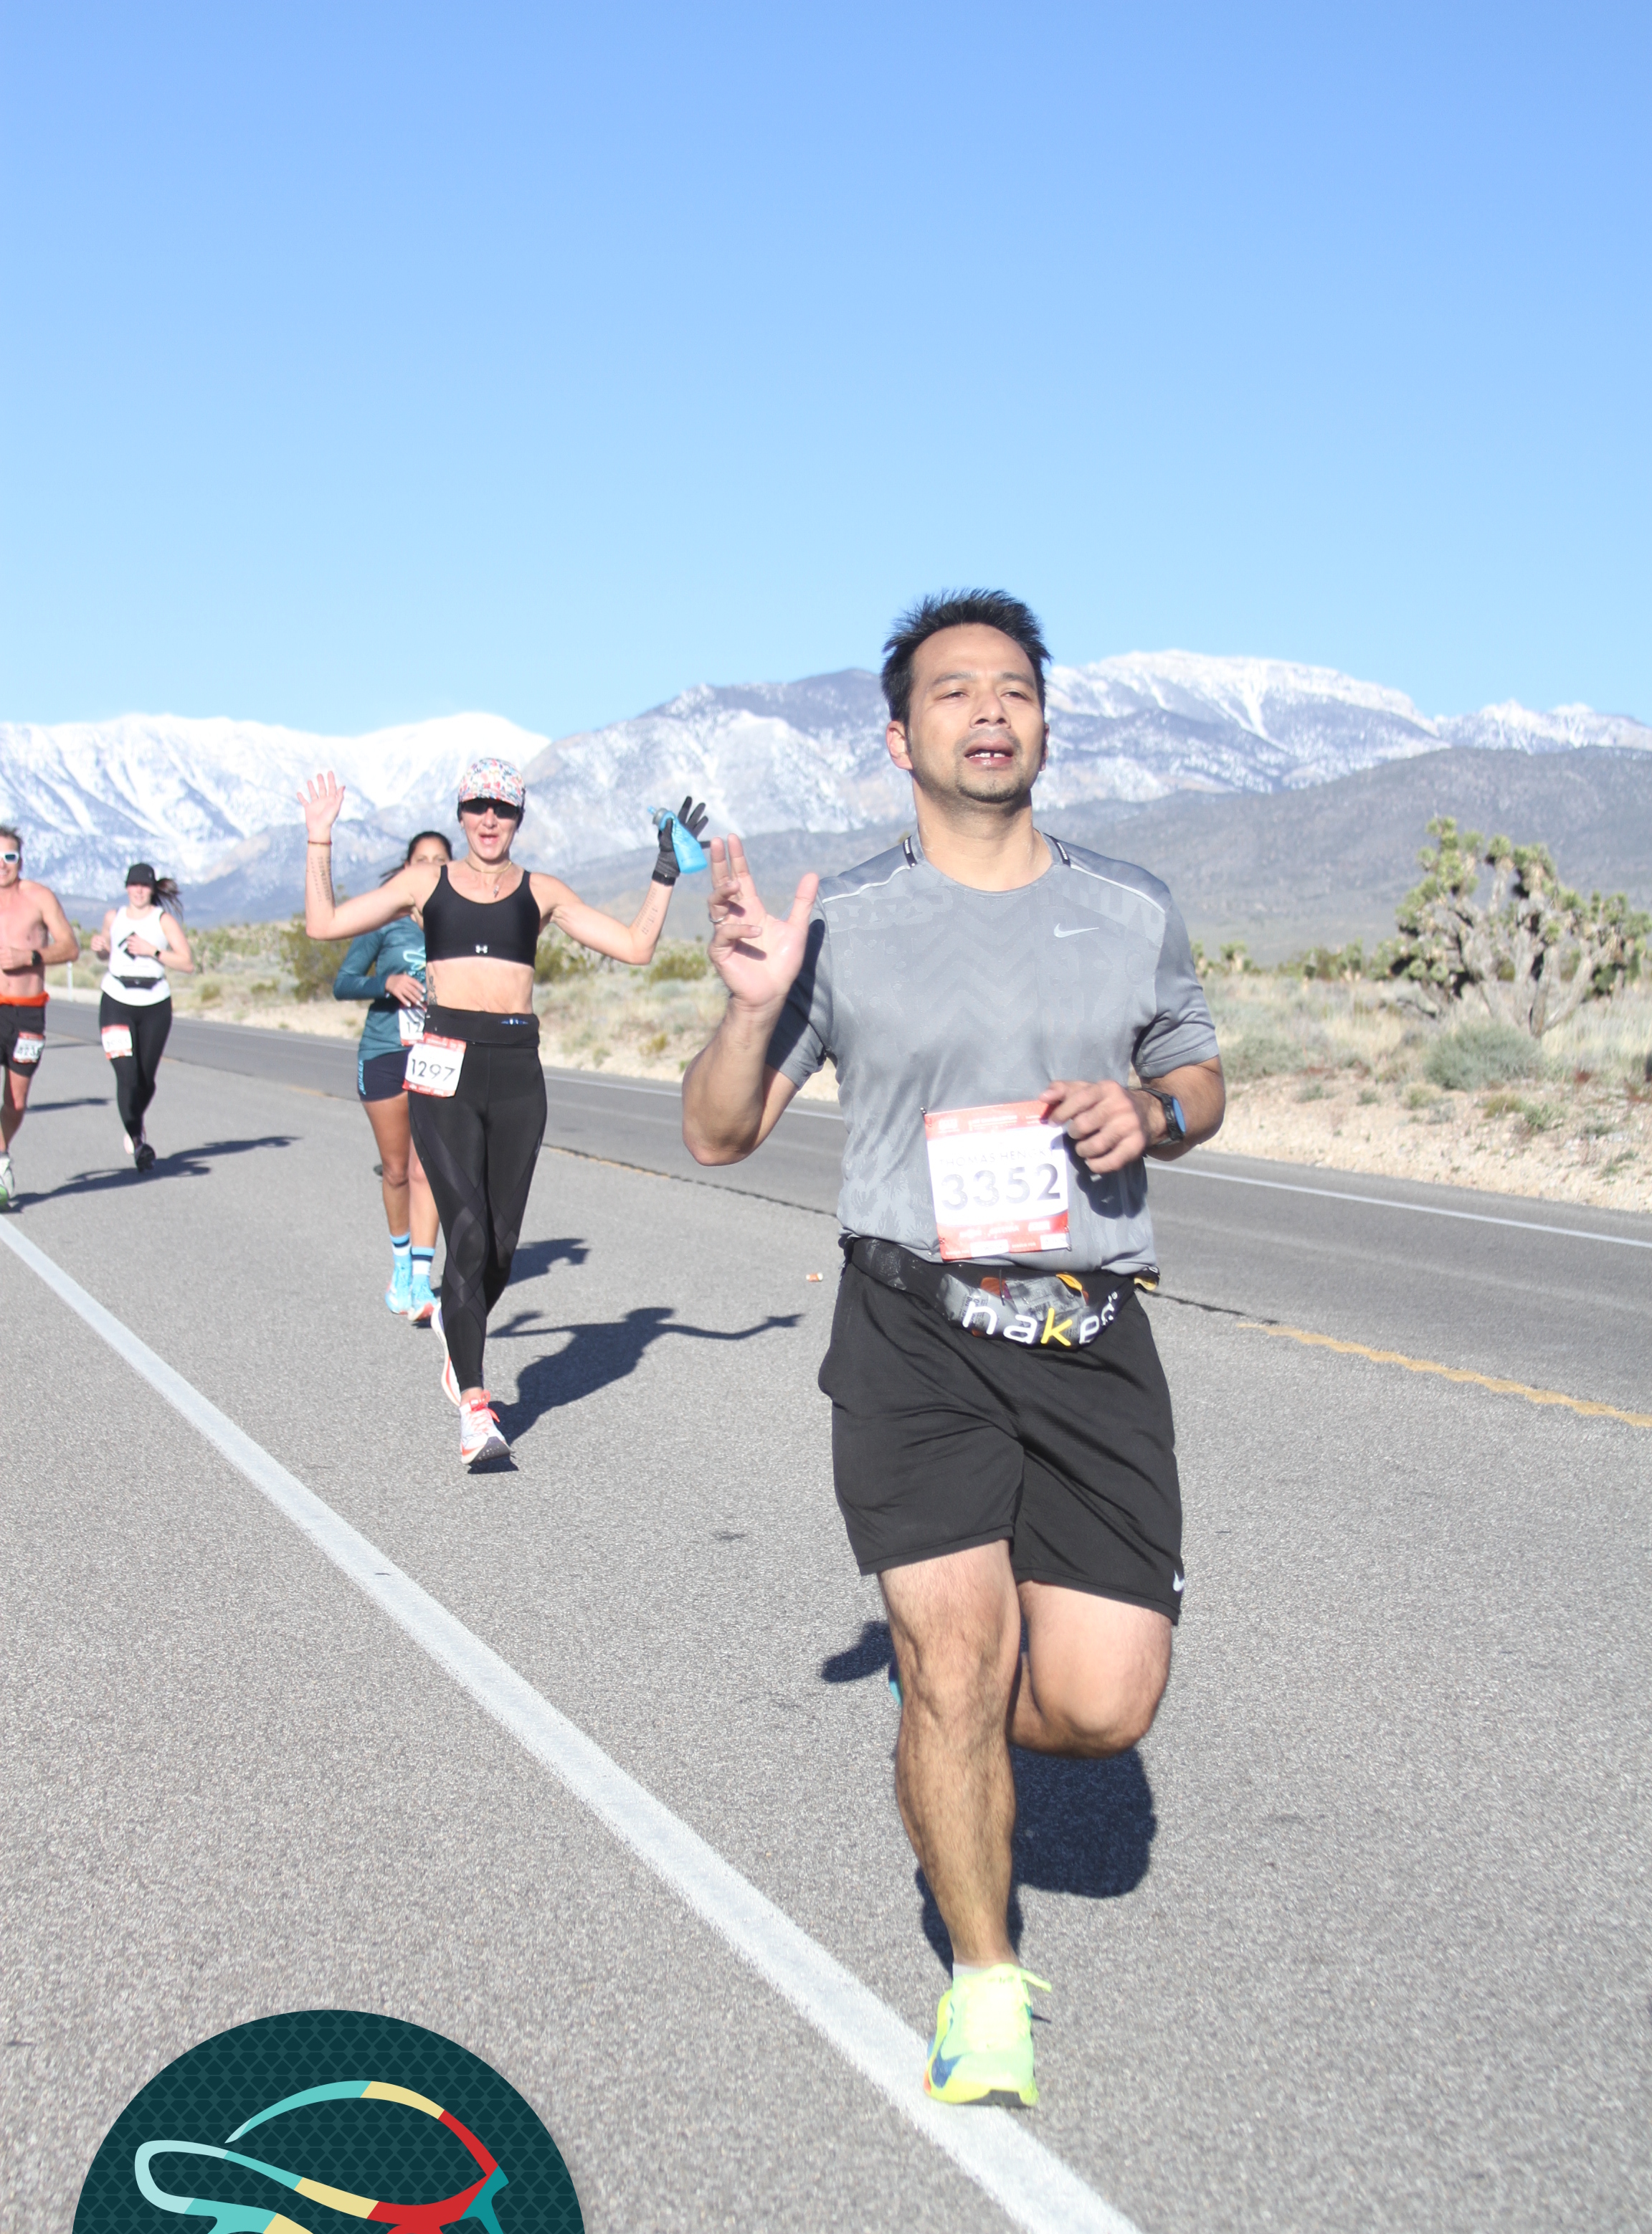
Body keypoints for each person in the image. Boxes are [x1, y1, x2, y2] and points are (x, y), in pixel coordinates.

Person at [683, 591, 1225, 2109]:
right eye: (952, 690)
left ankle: (949, 1732)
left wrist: (1154, 1112)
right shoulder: (841, 921)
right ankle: (983, 1981)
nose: (988, 711)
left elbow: (1197, 1072)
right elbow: (717, 1133)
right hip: (912, 1328)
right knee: (954, 1656)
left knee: (1103, 1705)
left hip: (1087, 1329)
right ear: (897, 736)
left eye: (1014, 690)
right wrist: (750, 1010)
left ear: (1043, 723)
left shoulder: (1130, 906)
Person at [303, 757, 707, 1467]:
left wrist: (665, 871)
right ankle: (475, 1406)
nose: (489, 819)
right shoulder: (425, 883)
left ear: (519, 817)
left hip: (517, 1069)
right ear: (461, 814)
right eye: (478, 806)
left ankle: (457, 1338)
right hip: (444, 1065)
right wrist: (319, 837)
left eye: (503, 808)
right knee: (464, 1229)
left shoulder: (542, 892)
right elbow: (323, 923)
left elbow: (637, 948)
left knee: (499, 1244)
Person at [332, 831, 453, 1323]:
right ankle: (401, 1268)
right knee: (398, 1169)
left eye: (440, 861)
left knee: (429, 1171)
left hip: (438, 1054)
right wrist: (386, 982)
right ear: (407, 868)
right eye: (422, 860)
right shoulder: (384, 923)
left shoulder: (459, 924)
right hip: (385, 1052)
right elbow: (343, 982)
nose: (430, 867)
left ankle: (422, 1280)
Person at [89, 863, 194, 1170]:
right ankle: (138, 1142)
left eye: (144, 886)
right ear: (126, 887)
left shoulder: (163, 921)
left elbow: (187, 963)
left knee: (146, 1080)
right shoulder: (114, 917)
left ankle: (133, 1121)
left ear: (152, 889)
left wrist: (153, 951)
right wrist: (100, 948)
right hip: (116, 1000)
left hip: (155, 1004)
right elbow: (106, 952)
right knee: (127, 1074)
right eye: (133, 885)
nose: (138, 890)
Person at [0, 823, 80, 1208]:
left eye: (9, 856)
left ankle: (1, 1157)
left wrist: (29, 956)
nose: (2, 864)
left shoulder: (39, 897)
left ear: (20, 860)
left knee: (16, 1101)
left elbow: (70, 948)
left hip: (28, 1014)